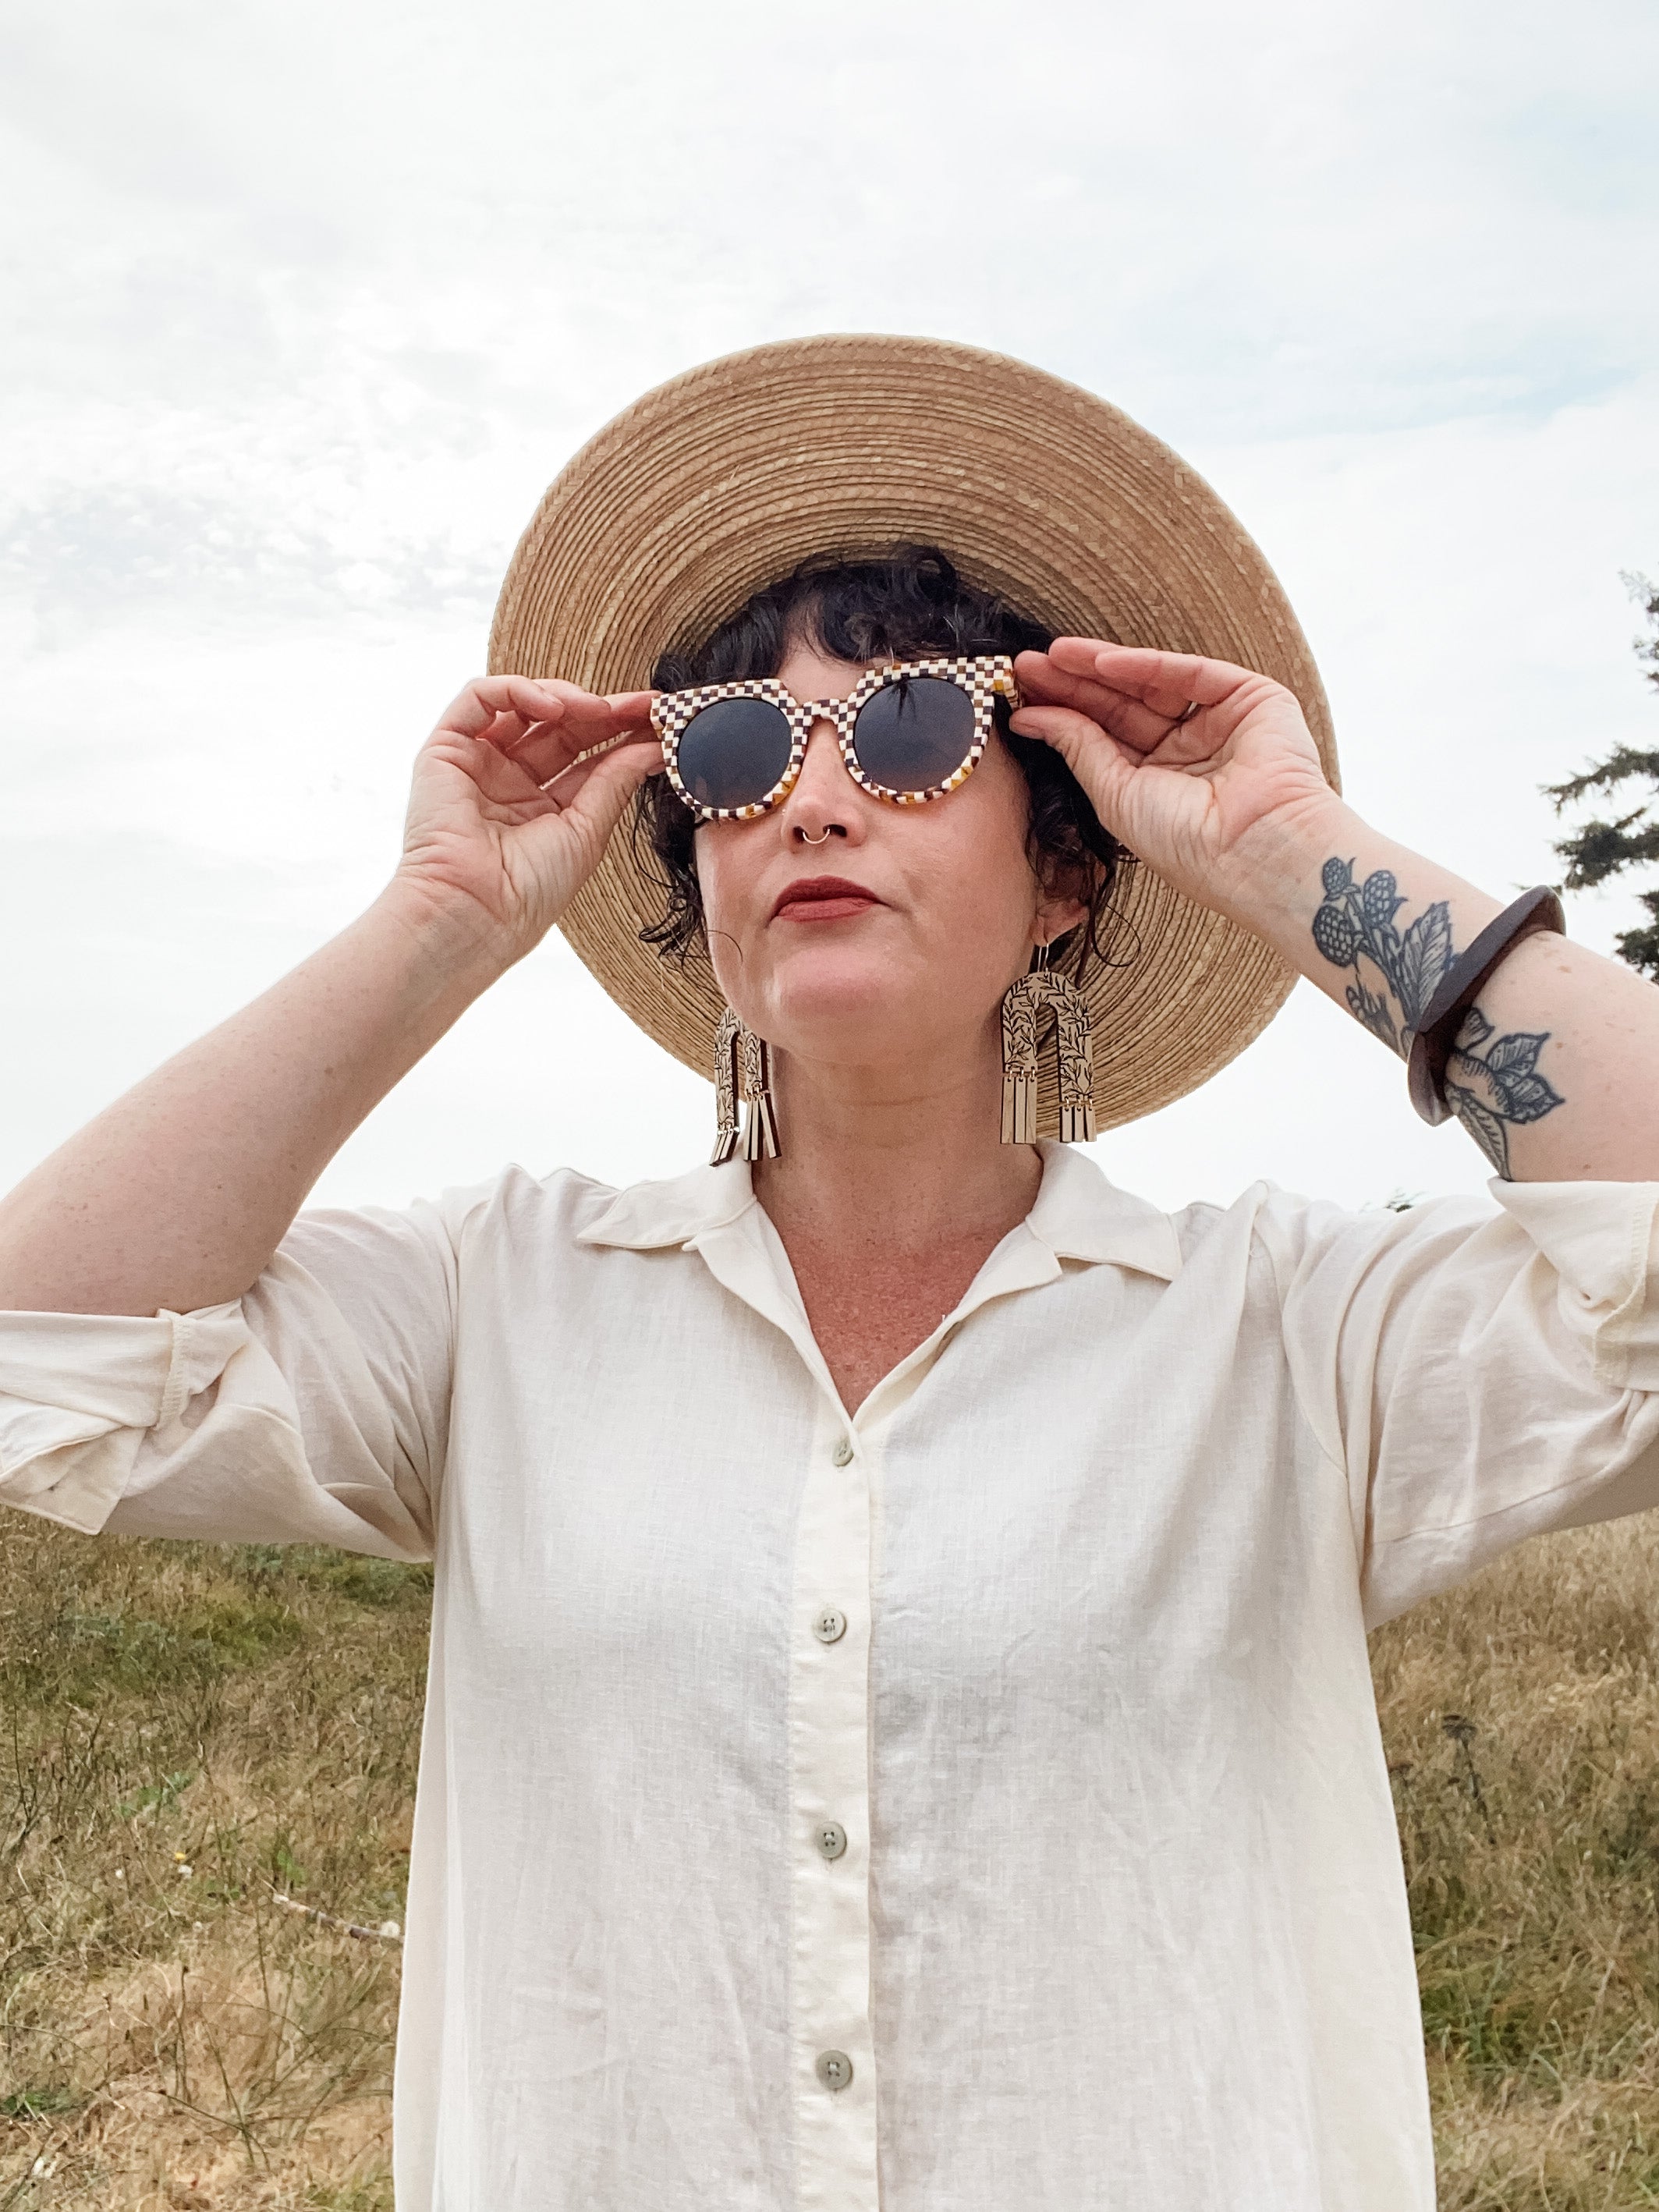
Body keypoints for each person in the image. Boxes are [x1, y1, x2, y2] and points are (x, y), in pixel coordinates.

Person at [2, 335, 1657, 2212]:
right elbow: (40, 1358)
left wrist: (1282, 849)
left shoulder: (1291, 1335)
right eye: (727, 748)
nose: (809, 796)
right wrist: (442, 918)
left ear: (1064, 872)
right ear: (693, 879)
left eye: (906, 730)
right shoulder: (501, 1302)